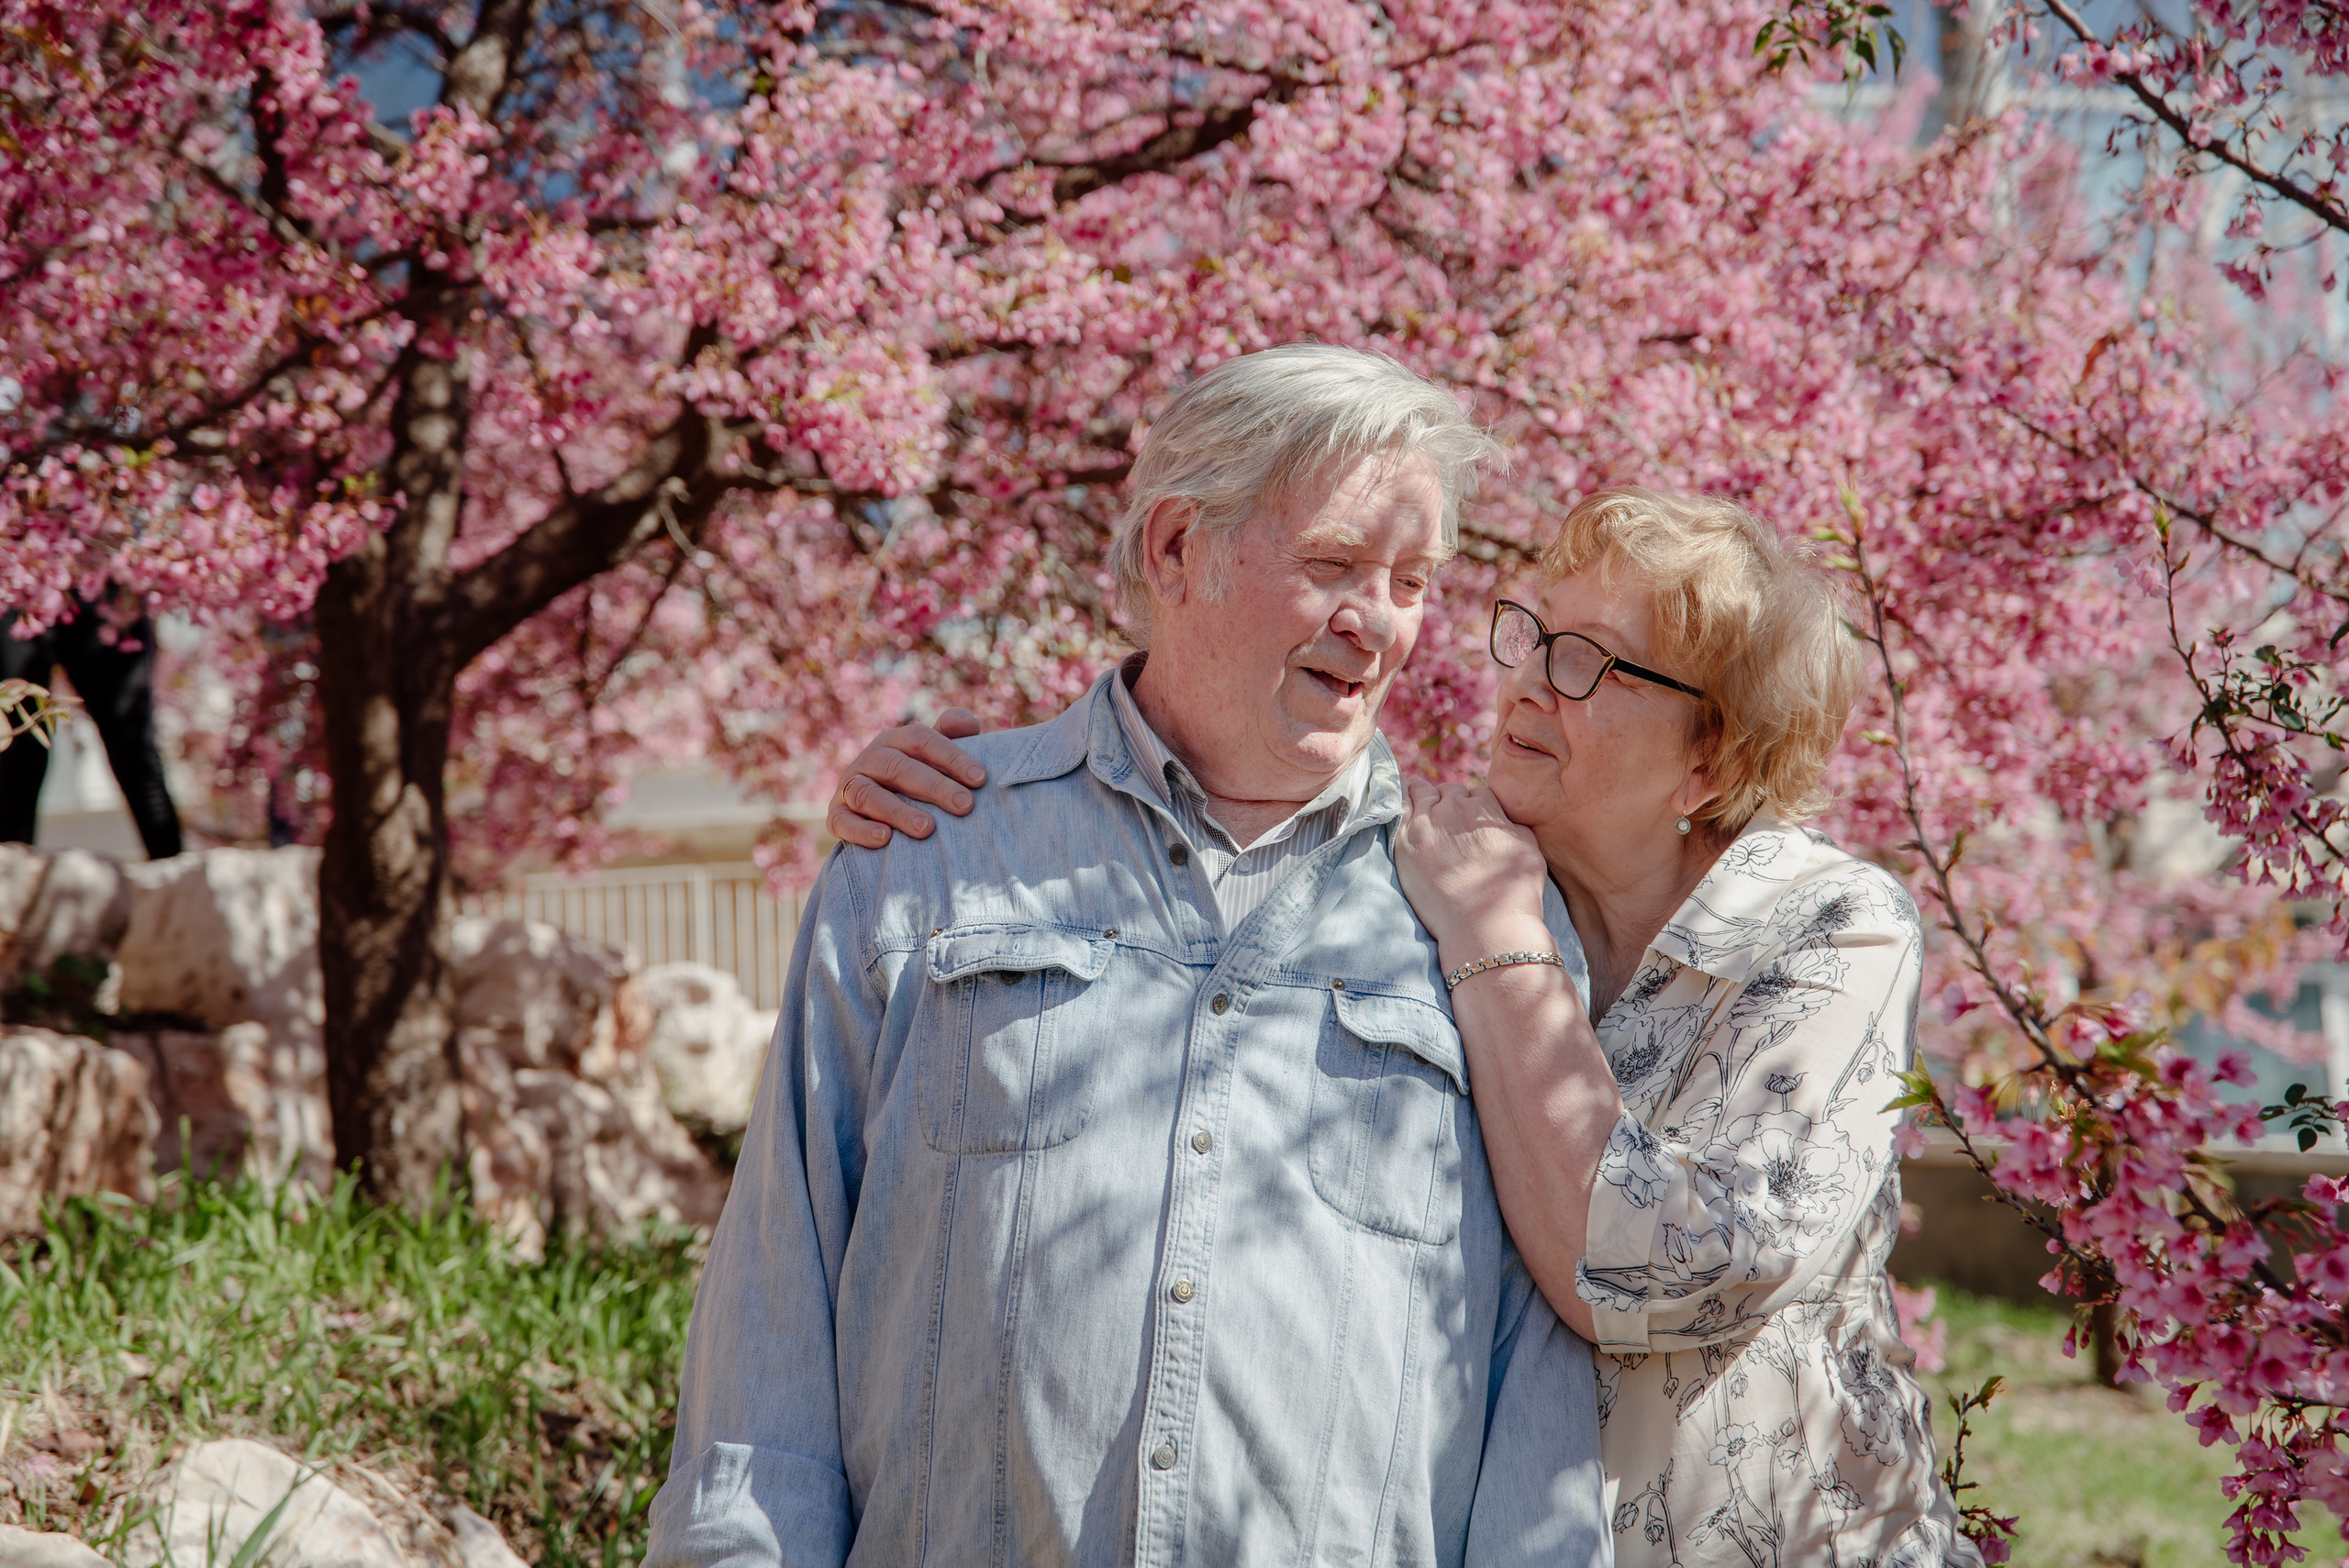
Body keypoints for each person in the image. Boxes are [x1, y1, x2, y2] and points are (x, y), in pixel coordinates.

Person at [833, 485, 1981, 1566]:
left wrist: (1501, 951)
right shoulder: (1451, 859)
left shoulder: (1828, 926)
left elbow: (1668, 1265)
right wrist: (1001, 787)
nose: (1529, 681)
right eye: (1531, 633)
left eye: (1589, 664)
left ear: (1712, 754)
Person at [648, 344, 1610, 1568]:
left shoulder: (1486, 913)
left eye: (1414, 582)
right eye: (1332, 567)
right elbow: (776, 1305)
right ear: (1175, 551)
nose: (1380, 626)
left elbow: (1539, 1388)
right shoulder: (926, 853)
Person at [0, 587, 184, 860]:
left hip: (97, 577)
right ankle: (9, 885)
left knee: (134, 748)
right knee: (16, 753)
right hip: (16, 586)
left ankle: (175, 877)